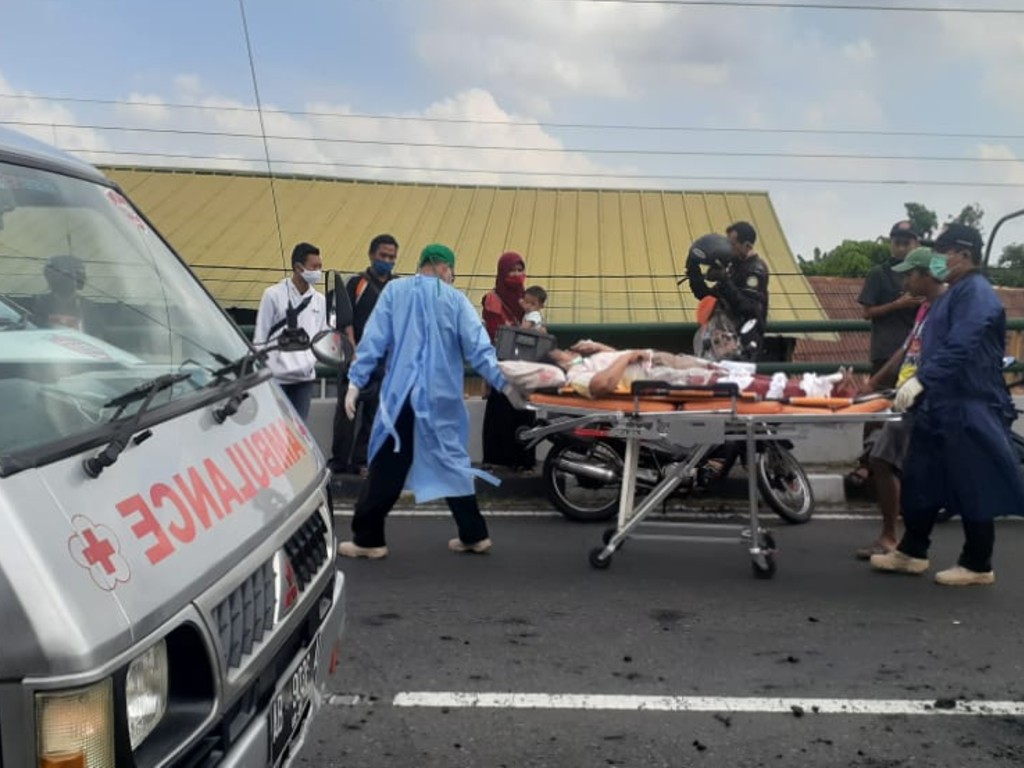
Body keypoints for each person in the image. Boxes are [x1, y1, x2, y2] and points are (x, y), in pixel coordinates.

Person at [337, 243, 524, 559]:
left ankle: (368, 540)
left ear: (423, 264)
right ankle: (474, 534)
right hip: (441, 399)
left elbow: (373, 341)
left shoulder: (396, 292)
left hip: (403, 397)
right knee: (452, 462)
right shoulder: (456, 300)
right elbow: (480, 350)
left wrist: (355, 381)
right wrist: (506, 386)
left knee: (386, 465)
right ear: (446, 268)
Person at [871, 224, 1024, 586]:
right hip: (938, 405)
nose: (938, 260)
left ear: (964, 255)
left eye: (943, 253)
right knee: (921, 478)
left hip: (970, 404)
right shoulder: (951, 295)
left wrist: (924, 379)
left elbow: (961, 344)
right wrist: (916, 384)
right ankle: (912, 551)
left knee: (973, 482)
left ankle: (977, 563)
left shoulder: (978, 294)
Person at [853, 247, 944, 560]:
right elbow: (906, 350)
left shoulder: (944, 308)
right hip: (905, 394)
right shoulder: (924, 309)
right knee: (884, 459)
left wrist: (921, 384)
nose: (905, 280)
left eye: (909, 274)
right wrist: (874, 382)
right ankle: (899, 539)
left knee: (887, 460)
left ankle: (898, 539)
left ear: (924, 275)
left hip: (924, 397)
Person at [848, 220, 923, 488]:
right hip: (885, 351)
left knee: (910, 410)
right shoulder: (879, 273)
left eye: (907, 242)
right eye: (897, 242)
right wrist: (897, 304)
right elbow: (867, 312)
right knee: (876, 409)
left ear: (917, 244)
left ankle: (905, 464)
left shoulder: (924, 275)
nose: (901, 248)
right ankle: (867, 462)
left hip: (916, 356)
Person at [329, 234, 399, 475]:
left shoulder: (396, 286)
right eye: (383, 256)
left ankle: (362, 460)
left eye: (391, 257)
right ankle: (339, 461)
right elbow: (346, 318)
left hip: (383, 362)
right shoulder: (355, 284)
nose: (387, 260)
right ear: (371, 255)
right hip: (355, 357)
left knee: (373, 413)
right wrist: (353, 350)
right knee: (346, 412)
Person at [253, 242, 328, 421]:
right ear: (298, 267)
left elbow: (321, 336)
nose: (318, 271)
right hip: (276, 379)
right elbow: (260, 336)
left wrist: (310, 361)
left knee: (299, 430)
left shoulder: (319, 300)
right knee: (274, 428)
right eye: (314, 267)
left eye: (320, 267)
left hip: (304, 380)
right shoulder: (272, 295)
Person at [481, 251, 536, 470]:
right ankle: (498, 461)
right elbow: (496, 330)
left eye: (520, 270)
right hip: (502, 363)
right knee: (501, 412)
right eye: (512, 270)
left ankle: (523, 461)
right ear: (502, 272)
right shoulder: (492, 299)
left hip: (525, 365)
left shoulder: (529, 299)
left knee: (524, 411)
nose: (517, 274)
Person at [686, 223, 769, 361]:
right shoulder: (733, 266)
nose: (727, 248)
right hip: (722, 338)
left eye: (732, 243)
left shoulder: (755, 270)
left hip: (742, 342)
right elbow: (708, 298)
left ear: (747, 246)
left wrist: (724, 281)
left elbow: (748, 308)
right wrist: (693, 271)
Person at [32, 255, 102, 335]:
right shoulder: (42, 303)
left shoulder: (88, 307)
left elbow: (96, 338)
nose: (65, 281)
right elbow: (36, 333)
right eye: (64, 277)